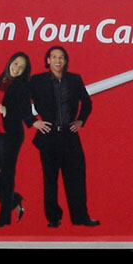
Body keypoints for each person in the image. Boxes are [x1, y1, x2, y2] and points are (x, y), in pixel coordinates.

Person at [30, 45, 100, 227]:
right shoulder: (37, 81)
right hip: (49, 136)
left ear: (65, 61)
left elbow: (87, 103)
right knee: (50, 180)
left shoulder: (74, 80)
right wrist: (32, 121)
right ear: (48, 60)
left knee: (76, 177)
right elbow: (20, 101)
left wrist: (81, 121)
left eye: (61, 57)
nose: (58, 61)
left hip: (69, 136)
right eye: (54, 57)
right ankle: (53, 218)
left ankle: (80, 217)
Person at [0, 52, 35, 227]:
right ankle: (14, 201)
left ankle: (4, 217)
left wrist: (9, 112)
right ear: (10, 62)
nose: (17, 68)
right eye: (16, 64)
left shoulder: (23, 88)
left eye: (21, 67)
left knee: (7, 174)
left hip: (11, 135)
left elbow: (26, 112)